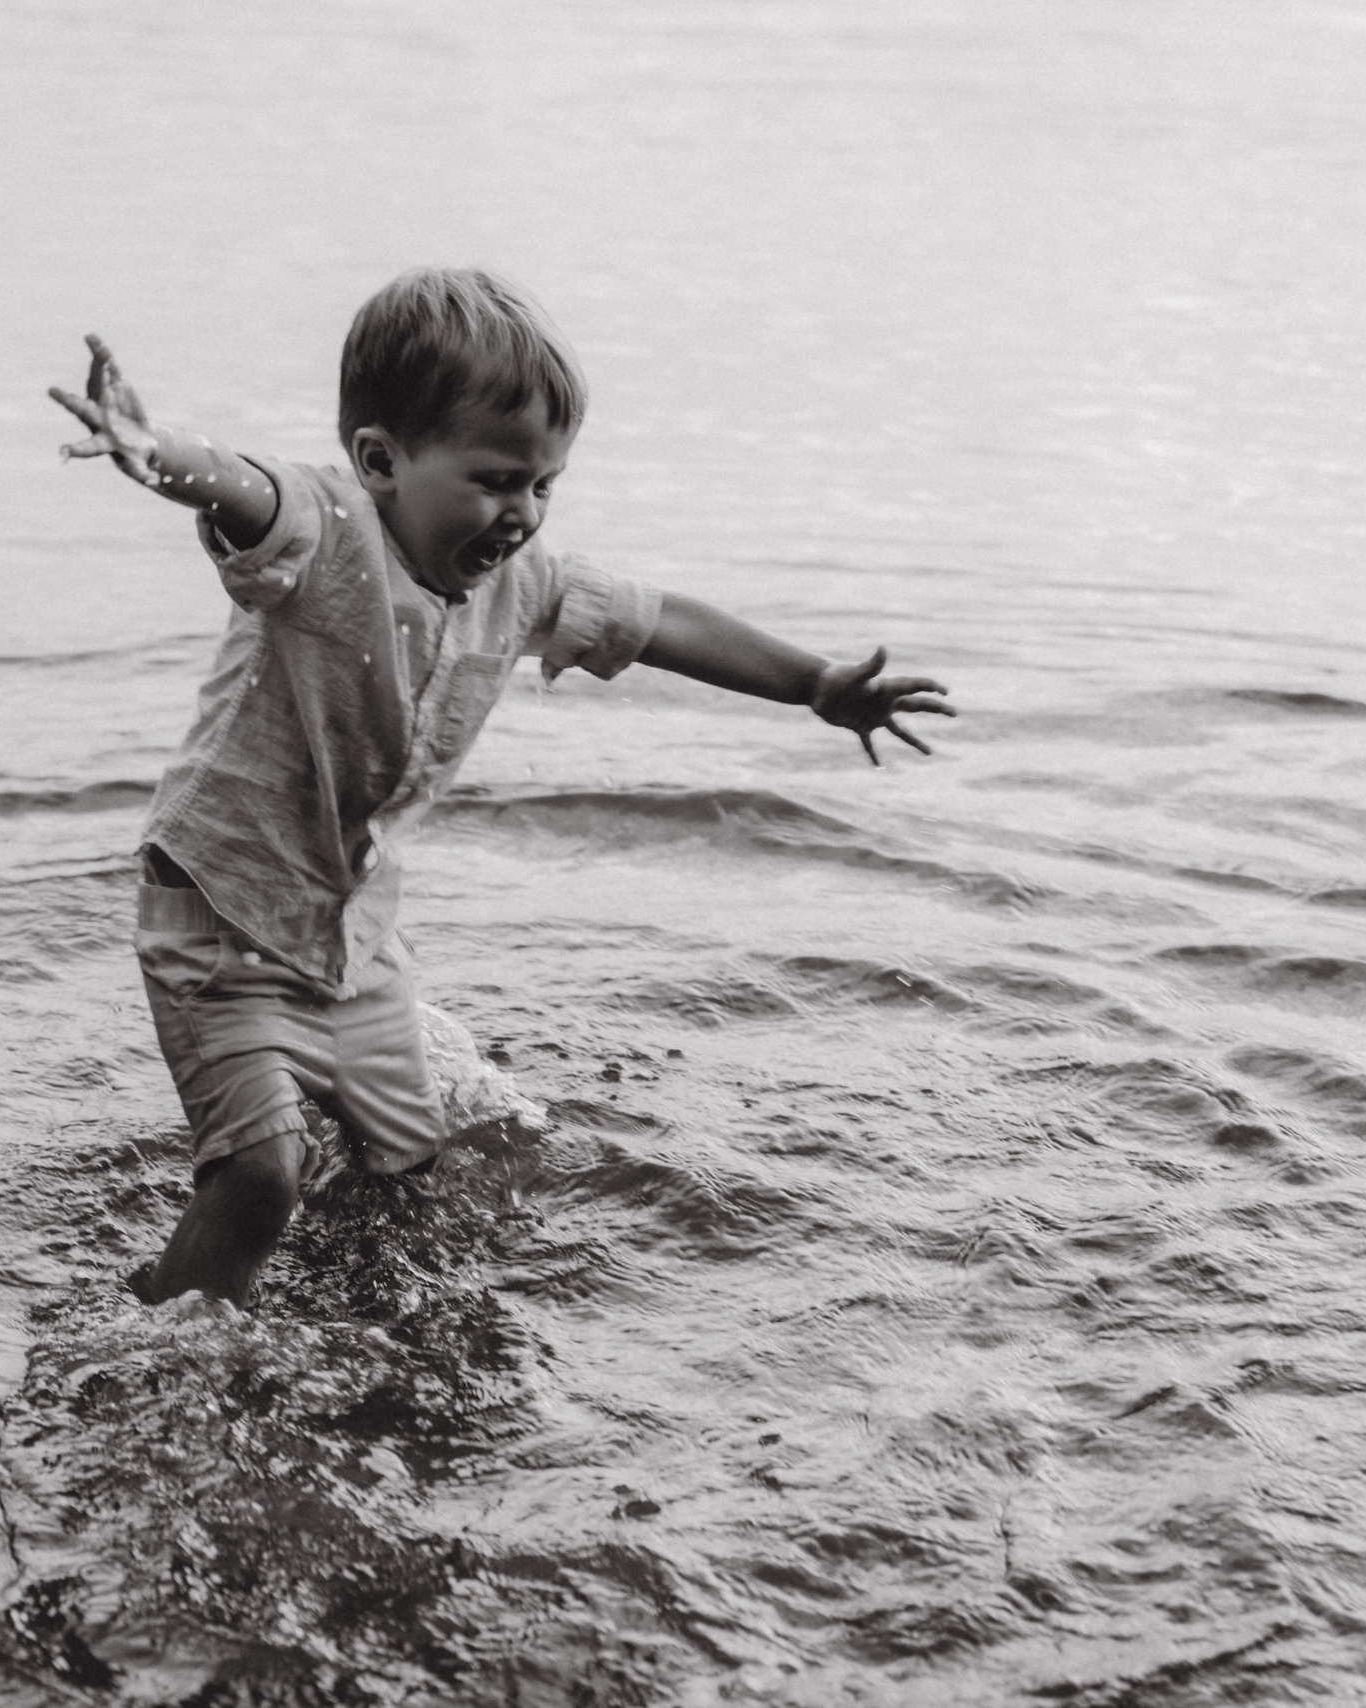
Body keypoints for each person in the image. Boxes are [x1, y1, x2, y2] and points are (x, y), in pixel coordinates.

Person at [48, 268, 954, 1306]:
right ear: (380, 460)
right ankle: (164, 1348)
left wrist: (815, 685)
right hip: (220, 916)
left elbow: (662, 625)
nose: (519, 512)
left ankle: (348, 1308)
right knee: (261, 1176)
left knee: (413, 1167)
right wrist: (154, 455)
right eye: (492, 479)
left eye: (542, 484)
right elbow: (245, 487)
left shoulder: (518, 586)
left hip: (351, 937)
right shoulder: (326, 532)